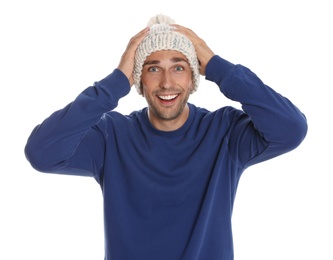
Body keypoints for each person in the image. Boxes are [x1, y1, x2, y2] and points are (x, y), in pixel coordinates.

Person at [24, 14, 308, 260]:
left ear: (194, 78)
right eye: (153, 68)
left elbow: (291, 128)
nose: (167, 83)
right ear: (139, 80)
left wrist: (217, 66)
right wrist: (116, 81)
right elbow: (41, 152)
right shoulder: (112, 136)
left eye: (179, 67)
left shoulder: (224, 131)